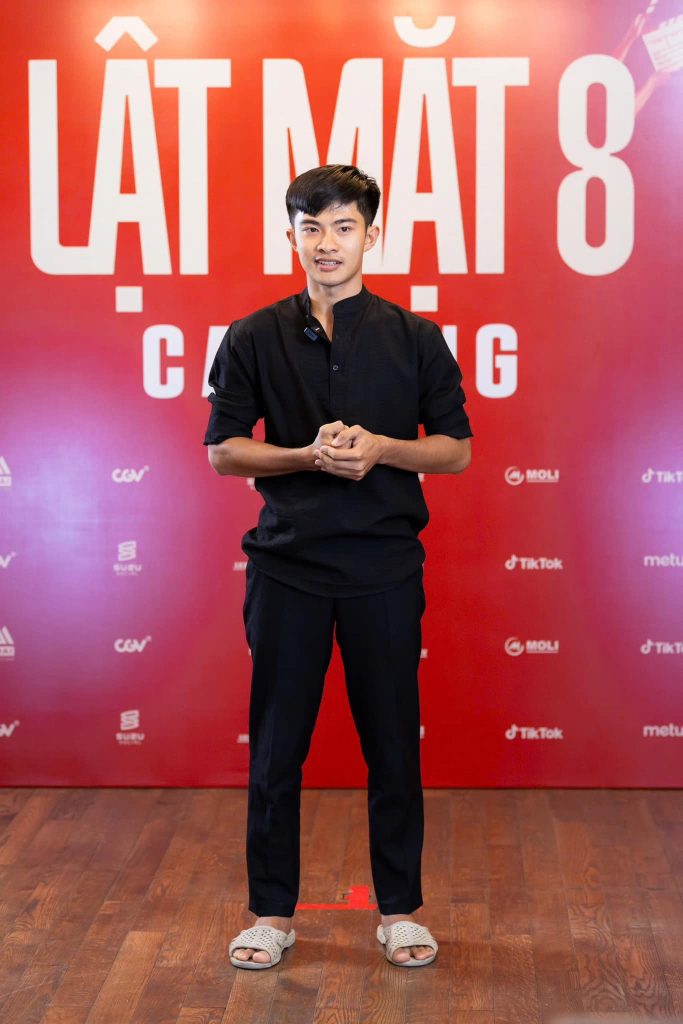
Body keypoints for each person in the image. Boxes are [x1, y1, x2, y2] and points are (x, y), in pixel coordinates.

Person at [203, 164, 473, 970]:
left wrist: (383, 448)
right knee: (275, 747)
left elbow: (455, 449)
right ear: (291, 235)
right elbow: (223, 451)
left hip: (384, 568)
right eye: (311, 227)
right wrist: (305, 455)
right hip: (286, 567)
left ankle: (400, 910)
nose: (327, 242)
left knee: (391, 744)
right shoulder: (252, 335)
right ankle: (270, 913)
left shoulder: (415, 337)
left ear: (370, 235)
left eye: (343, 227)